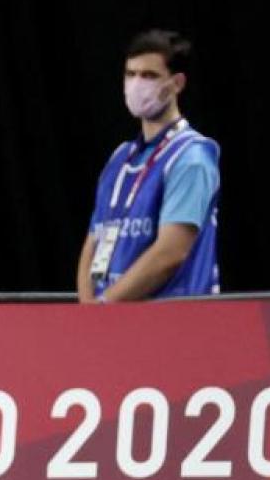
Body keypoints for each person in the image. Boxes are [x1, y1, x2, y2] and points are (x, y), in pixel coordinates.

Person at [76, 28, 221, 302]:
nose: (136, 84)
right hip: (116, 322)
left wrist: (106, 304)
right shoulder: (120, 159)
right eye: (130, 74)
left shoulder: (191, 158)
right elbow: (93, 242)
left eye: (149, 76)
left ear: (177, 83)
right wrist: (89, 310)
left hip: (174, 324)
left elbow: (170, 253)